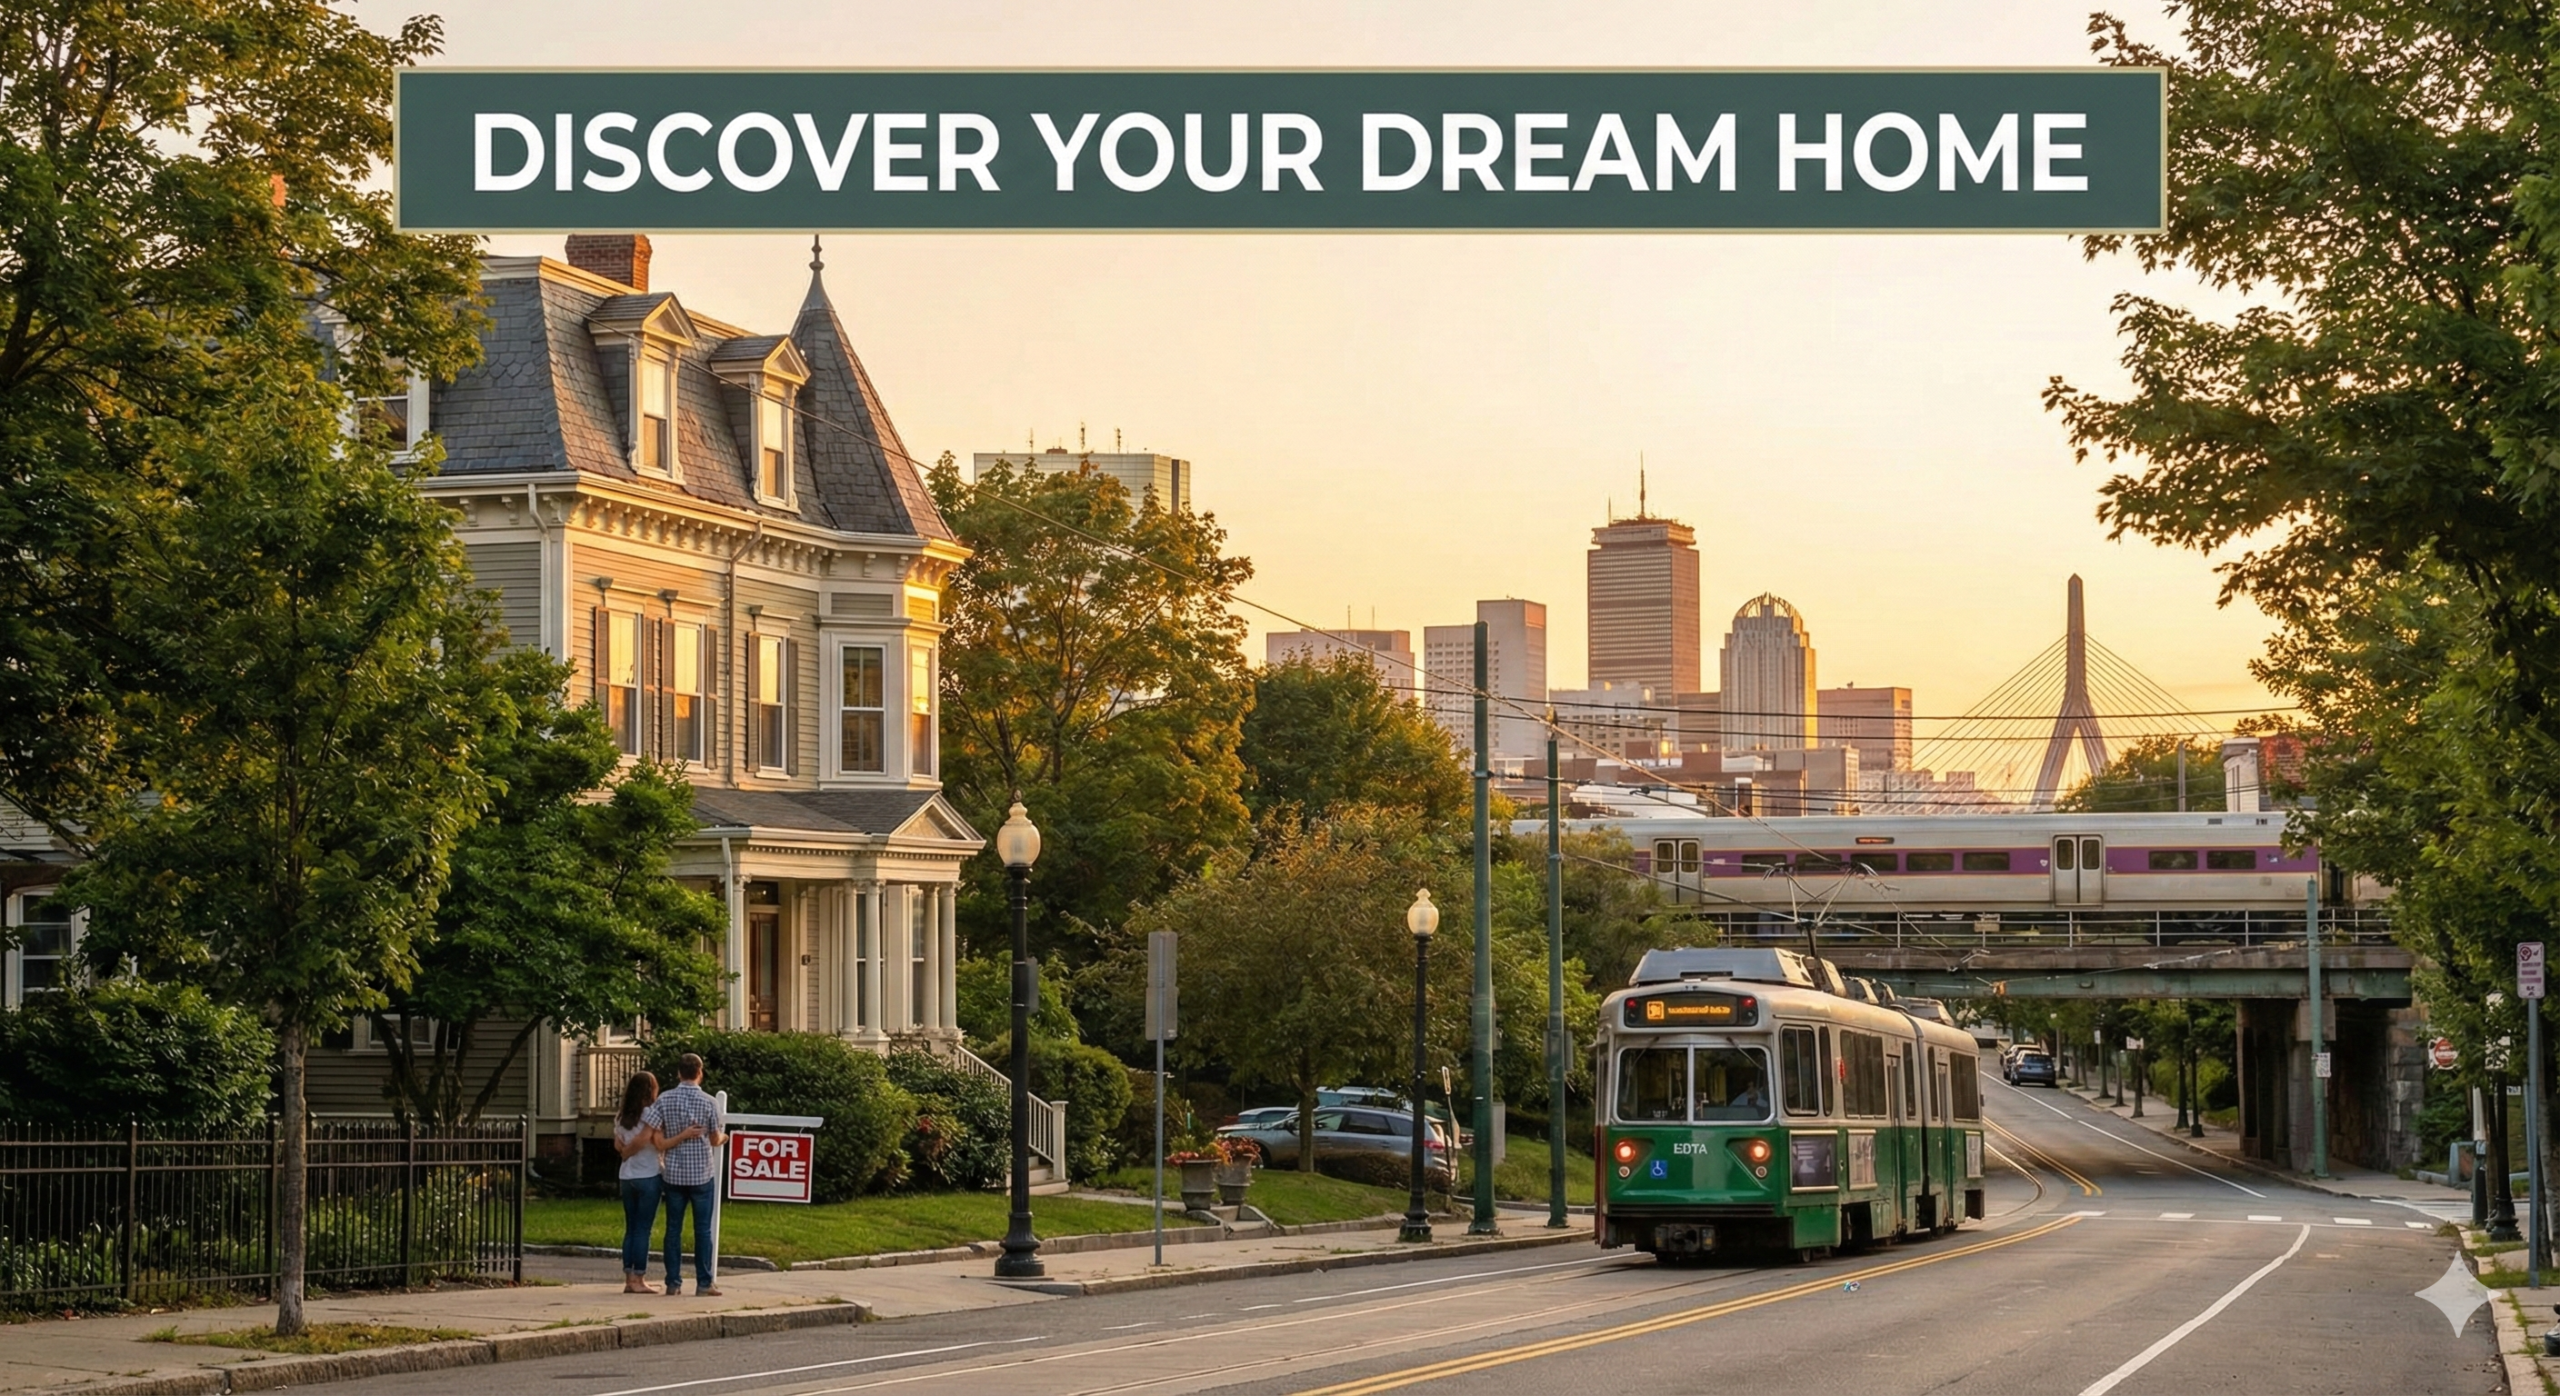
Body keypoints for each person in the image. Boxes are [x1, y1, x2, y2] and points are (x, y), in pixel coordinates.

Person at [643, 1052, 728, 1296]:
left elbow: (656, 1137)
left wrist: (674, 1137)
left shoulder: (665, 1100)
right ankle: (703, 1283)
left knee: (673, 1230)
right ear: (700, 1073)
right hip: (701, 1173)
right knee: (702, 1230)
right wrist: (724, 1137)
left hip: (673, 1175)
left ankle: (673, 1282)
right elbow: (714, 1138)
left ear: (679, 1073)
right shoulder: (709, 1102)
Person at [612, 1071, 692, 1295]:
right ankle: (639, 1278)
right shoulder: (651, 1113)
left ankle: (629, 1277)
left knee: (631, 1228)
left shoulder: (621, 1116)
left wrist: (625, 1152)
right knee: (643, 1230)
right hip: (648, 1175)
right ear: (651, 1090)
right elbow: (652, 1141)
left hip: (627, 1177)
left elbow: (617, 1144)